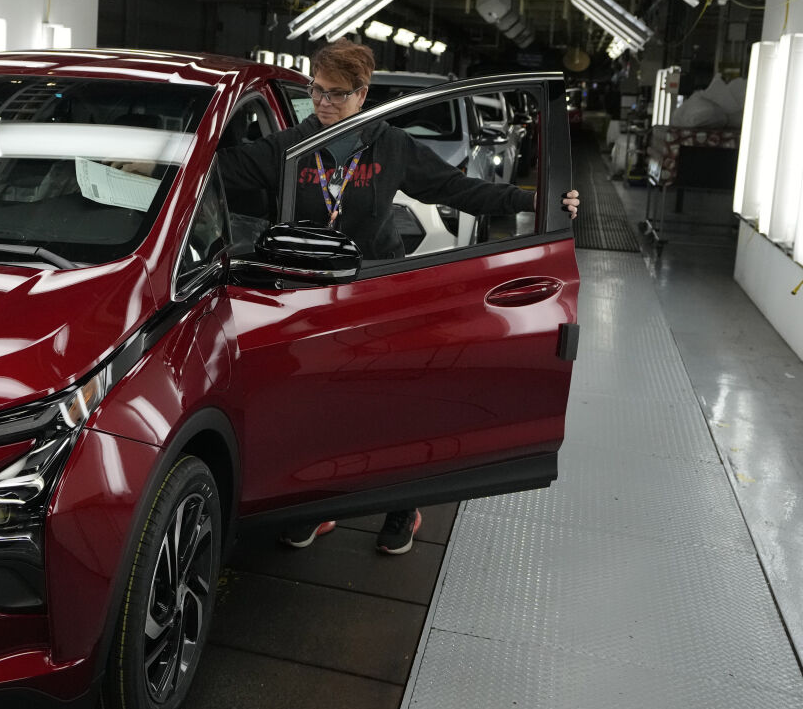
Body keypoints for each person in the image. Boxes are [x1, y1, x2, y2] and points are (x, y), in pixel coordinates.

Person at [219, 39, 580, 555]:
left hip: (375, 285)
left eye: (337, 95)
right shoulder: (287, 148)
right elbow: (220, 170)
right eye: (317, 91)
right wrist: (150, 167)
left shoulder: (390, 145)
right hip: (307, 293)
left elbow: (458, 189)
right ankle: (315, 505)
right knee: (316, 402)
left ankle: (402, 506)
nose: (323, 104)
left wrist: (537, 199)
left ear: (362, 94)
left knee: (386, 400)